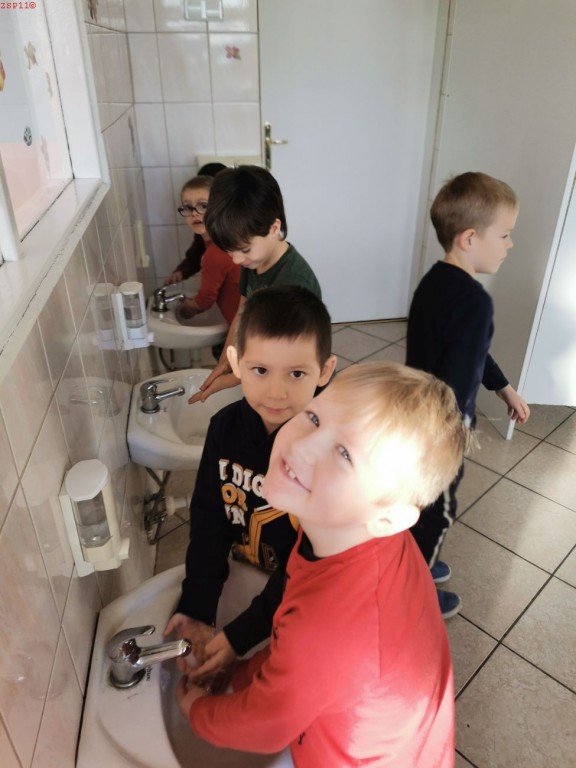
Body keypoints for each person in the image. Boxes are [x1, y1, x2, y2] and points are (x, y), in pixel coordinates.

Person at [176, 362, 468, 767]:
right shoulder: (348, 533)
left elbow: (265, 725)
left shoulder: (329, 628)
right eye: (314, 417)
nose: (302, 446)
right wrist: (241, 671)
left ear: (389, 517)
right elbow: (297, 655)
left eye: (345, 454)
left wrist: (196, 709)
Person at [164, 285, 336, 679]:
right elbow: (209, 517)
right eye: (260, 370)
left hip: (301, 599)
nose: (276, 393)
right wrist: (197, 607)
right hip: (248, 570)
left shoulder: (324, 452)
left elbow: (311, 560)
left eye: (297, 373)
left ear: (324, 371)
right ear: (236, 362)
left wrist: (241, 635)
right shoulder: (223, 429)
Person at [406, 171, 530, 619]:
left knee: (419, 503)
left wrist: (503, 387)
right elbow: (459, 380)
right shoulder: (475, 302)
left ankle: (416, 559)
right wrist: (455, 435)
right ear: (470, 238)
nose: (510, 244)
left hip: (416, 417)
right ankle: (414, 590)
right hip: (441, 431)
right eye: (505, 234)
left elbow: (471, 350)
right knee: (438, 510)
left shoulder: (432, 283)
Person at [188, 165, 321, 405]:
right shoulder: (253, 262)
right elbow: (243, 312)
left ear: (274, 228)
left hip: (294, 383)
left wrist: (236, 376)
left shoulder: (293, 283)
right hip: (267, 369)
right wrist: (227, 359)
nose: (237, 260)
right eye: (230, 251)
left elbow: (284, 357)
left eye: (244, 249)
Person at [164, 175, 241, 328]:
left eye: (203, 206)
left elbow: (205, 300)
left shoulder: (215, 252)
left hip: (244, 327)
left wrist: (184, 310)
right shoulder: (226, 240)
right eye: (187, 207)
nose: (194, 213)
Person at [164, 162, 227, 285]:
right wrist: (182, 271)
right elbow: (196, 254)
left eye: (203, 205)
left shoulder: (235, 233)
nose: (195, 213)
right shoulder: (202, 227)